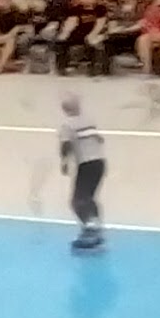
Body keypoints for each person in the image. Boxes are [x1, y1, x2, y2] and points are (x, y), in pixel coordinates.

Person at [57, 92, 106, 252]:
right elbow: (100, 139)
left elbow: (65, 145)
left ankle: (89, 231)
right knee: (89, 198)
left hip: (86, 164)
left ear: (65, 109)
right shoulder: (89, 121)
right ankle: (97, 227)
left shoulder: (67, 125)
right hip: (100, 163)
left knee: (77, 200)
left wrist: (64, 161)